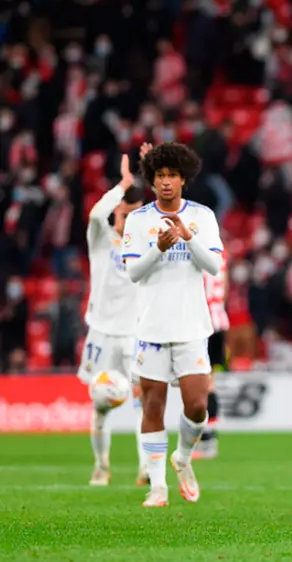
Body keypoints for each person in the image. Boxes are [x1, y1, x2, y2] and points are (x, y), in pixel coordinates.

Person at [122, 142, 224, 507]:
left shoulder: (203, 216)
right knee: (153, 406)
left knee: (197, 406)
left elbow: (213, 266)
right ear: (152, 181)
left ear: (184, 178)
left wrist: (187, 237)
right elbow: (133, 271)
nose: (166, 182)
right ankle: (158, 487)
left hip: (192, 326)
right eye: (160, 176)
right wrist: (158, 248)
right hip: (151, 328)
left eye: (172, 175)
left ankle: (182, 457)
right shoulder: (139, 220)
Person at [78, 152, 147, 487]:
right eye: (125, 213)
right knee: (101, 403)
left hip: (134, 334)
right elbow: (94, 215)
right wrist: (120, 187)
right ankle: (101, 466)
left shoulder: (146, 246)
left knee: (143, 403)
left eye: (135, 214)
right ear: (117, 212)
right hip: (102, 334)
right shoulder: (100, 240)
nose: (129, 219)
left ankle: (146, 467)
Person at [193, 251, 229, 460]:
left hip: (203, 323)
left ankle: (207, 440)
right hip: (219, 319)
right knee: (209, 383)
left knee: (202, 384)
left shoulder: (199, 251)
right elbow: (225, 286)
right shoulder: (222, 253)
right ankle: (208, 438)